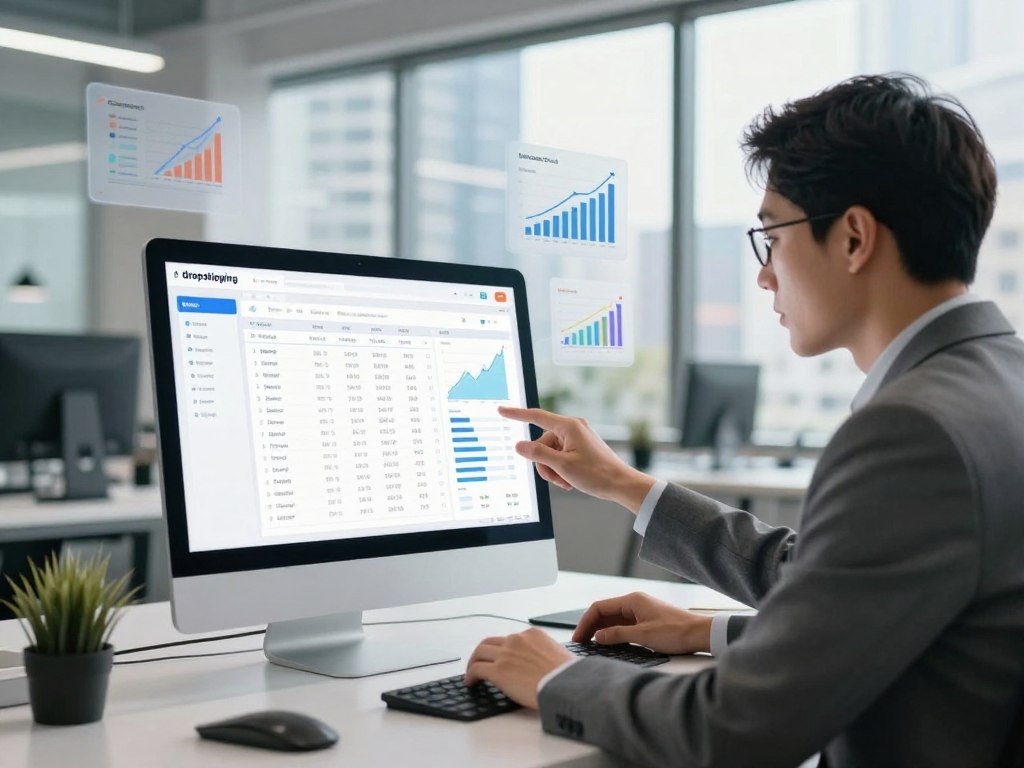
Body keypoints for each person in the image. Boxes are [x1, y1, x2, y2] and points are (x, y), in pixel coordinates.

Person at [464, 74, 1024, 767]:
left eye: (772, 238)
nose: (764, 276)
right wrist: (703, 618)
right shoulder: (1001, 384)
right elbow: (843, 581)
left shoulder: (914, 431)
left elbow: (736, 729)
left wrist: (556, 677)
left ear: (853, 238)